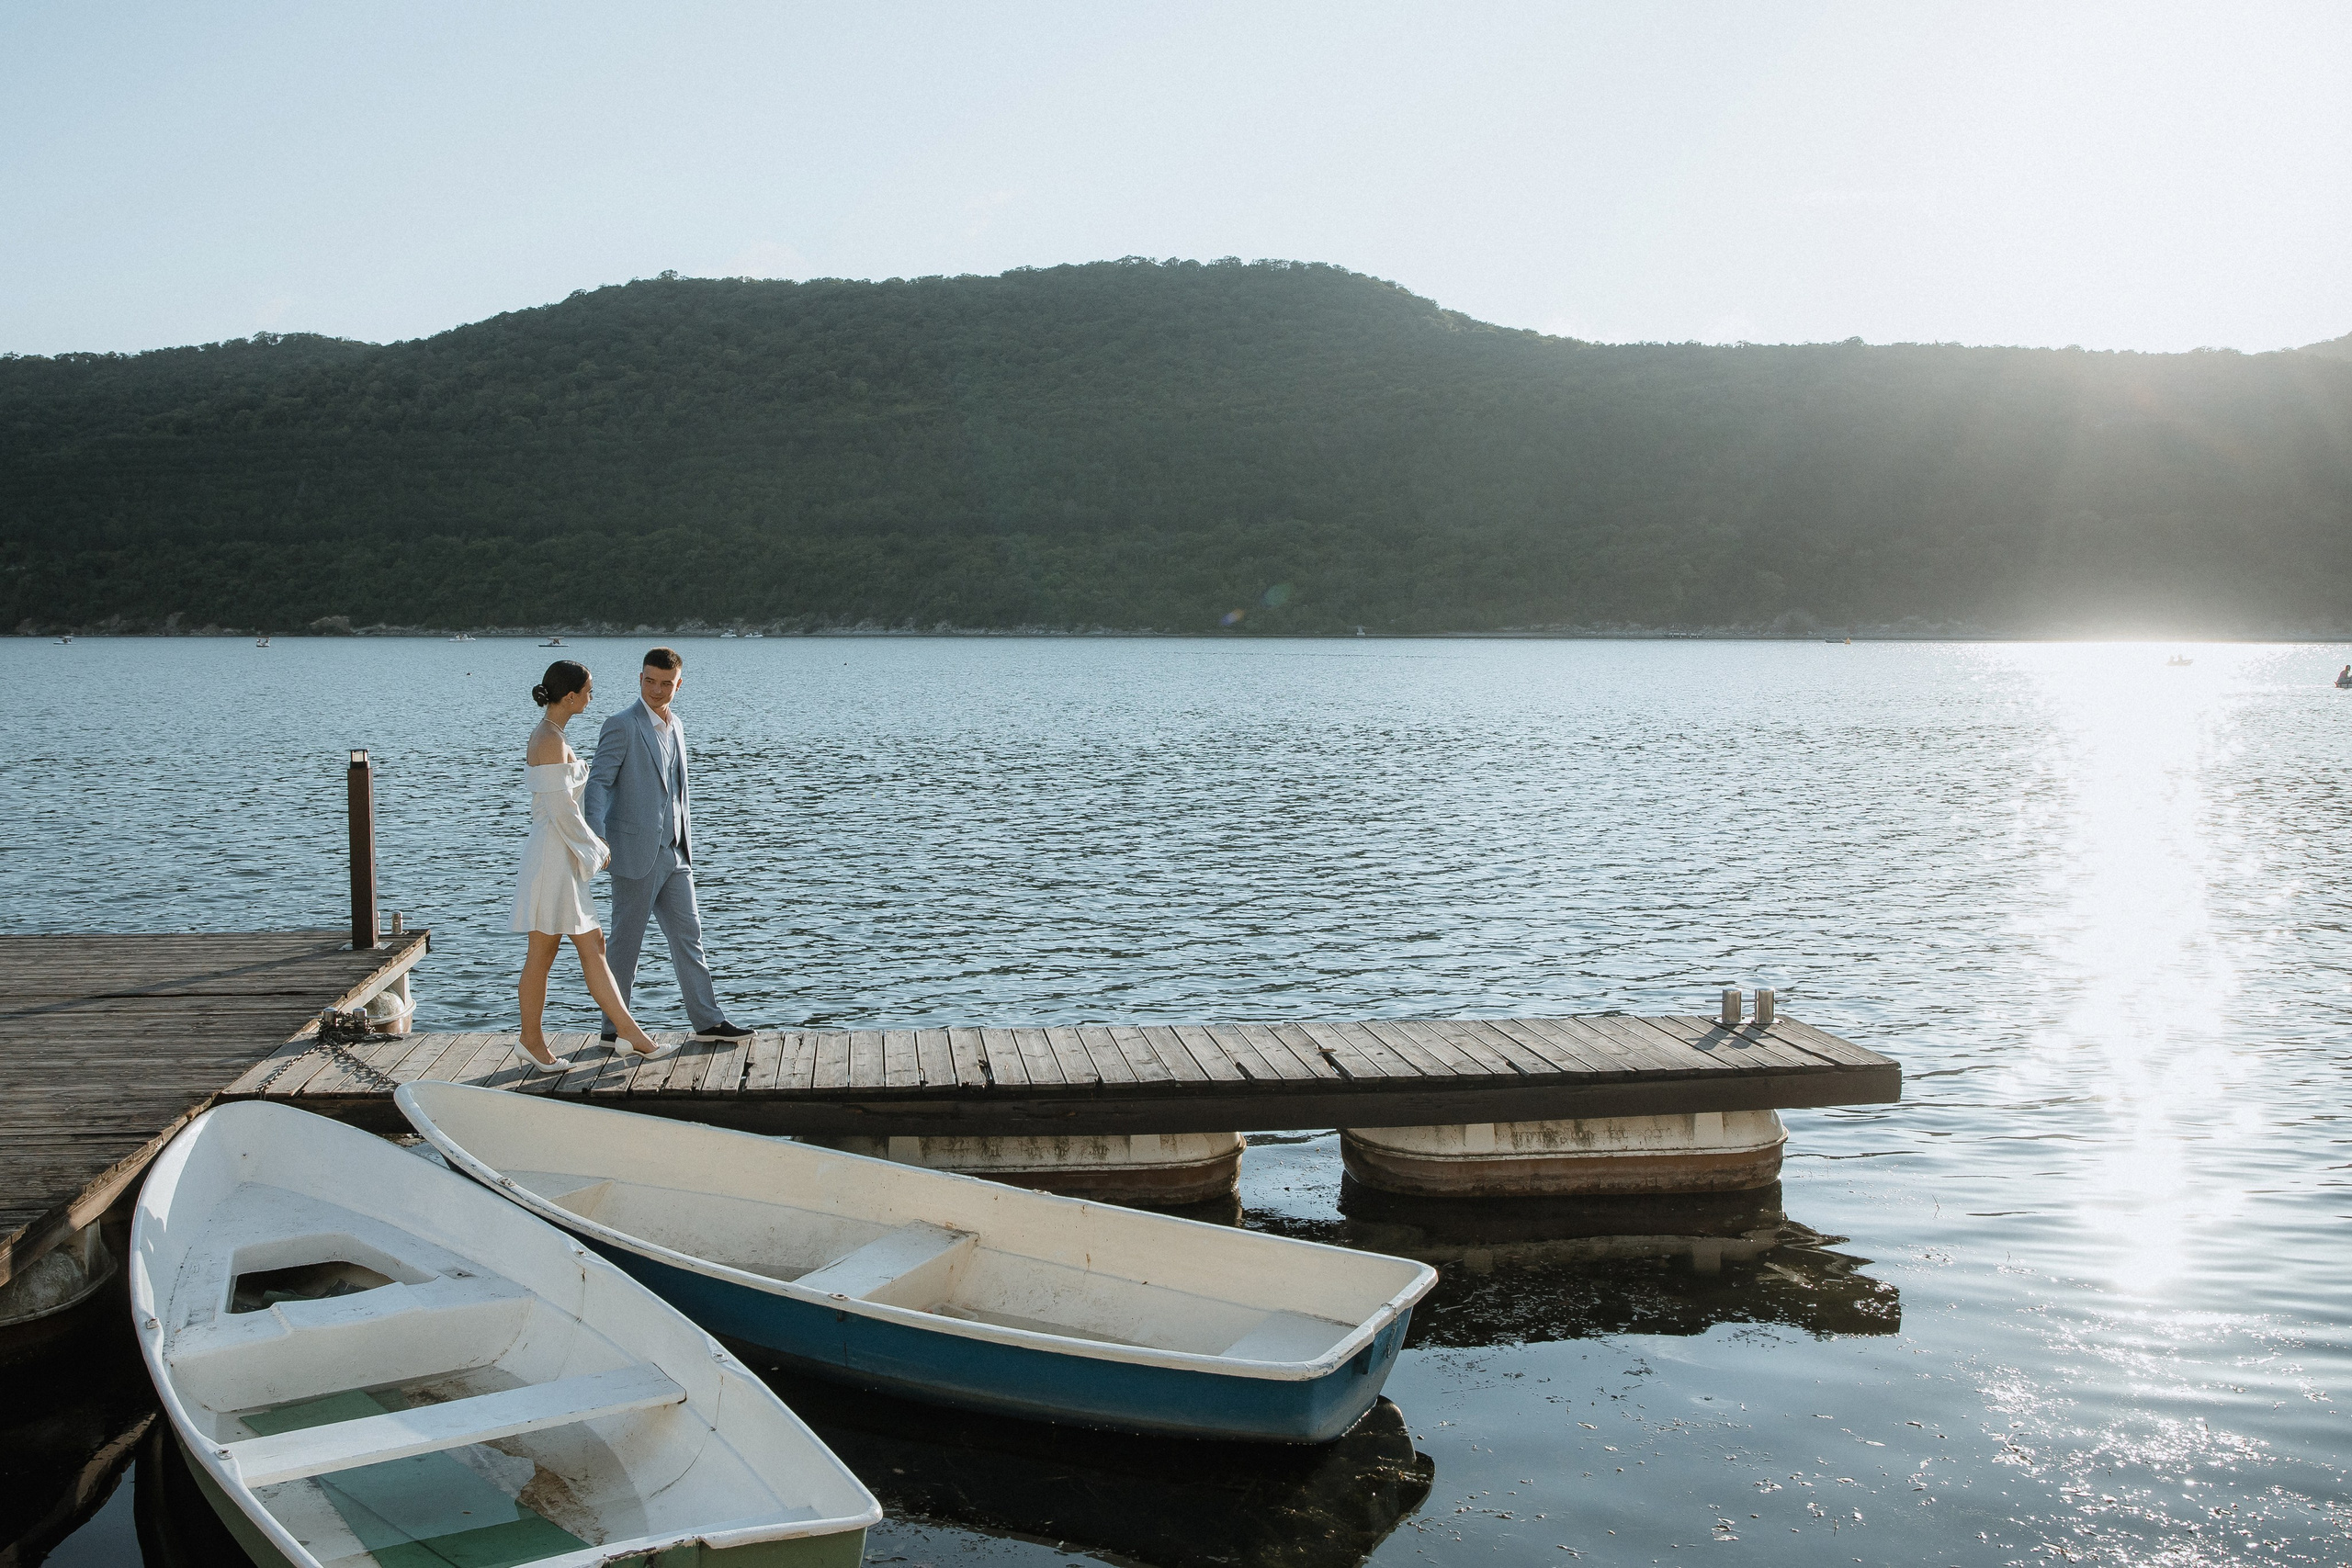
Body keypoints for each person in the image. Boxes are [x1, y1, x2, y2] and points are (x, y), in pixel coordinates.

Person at [583, 647, 756, 1042]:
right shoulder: (621, 725)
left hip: (676, 852)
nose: (656, 690)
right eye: (649, 681)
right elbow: (598, 784)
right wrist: (596, 837)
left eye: (665, 684)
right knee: (626, 945)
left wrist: (682, 842)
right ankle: (614, 1030)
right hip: (634, 853)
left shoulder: (676, 724)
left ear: (679, 685)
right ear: (640, 679)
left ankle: (708, 1021)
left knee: (689, 936)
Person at [512, 660, 668, 1066]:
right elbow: (561, 811)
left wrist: (588, 848)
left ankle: (624, 1034)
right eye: (588, 691)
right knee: (549, 951)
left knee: (582, 946)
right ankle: (538, 1040)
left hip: (560, 854)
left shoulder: (554, 734)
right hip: (552, 856)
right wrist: (597, 849)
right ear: (570, 696)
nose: (591, 697)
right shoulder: (548, 739)